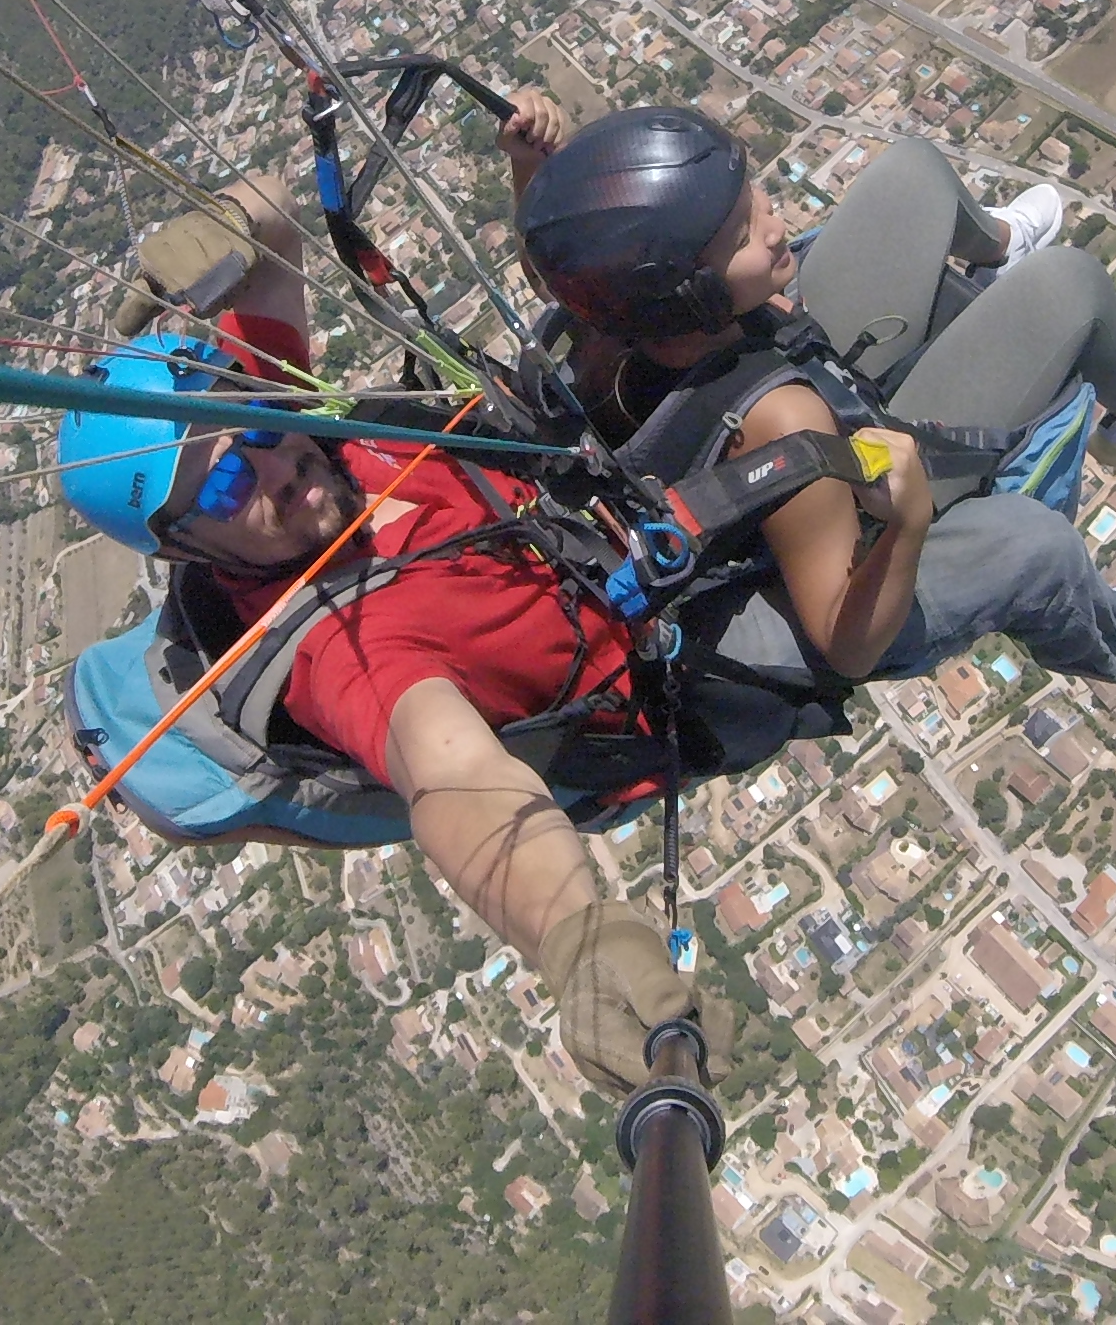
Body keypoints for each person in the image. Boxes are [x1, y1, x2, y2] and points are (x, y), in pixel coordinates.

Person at [60, 106, 739, 1099]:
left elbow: (274, 222)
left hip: (607, 501)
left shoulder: (307, 448)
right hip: (686, 652)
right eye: (217, 489)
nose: (265, 468)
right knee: (1010, 559)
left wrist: (213, 230)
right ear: (182, 548)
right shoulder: (340, 648)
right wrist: (577, 938)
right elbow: (452, 777)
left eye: (250, 423)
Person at [513, 106, 1116, 707]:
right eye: (740, 233)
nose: (773, 223)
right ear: (688, 295)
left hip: (799, 368)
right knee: (1073, 295)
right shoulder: (780, 427)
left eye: (755, 199)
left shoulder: (594, 327)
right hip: (855, 508)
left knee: (913, 171)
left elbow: (563, 272)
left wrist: (541, 181)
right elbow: (845, 641)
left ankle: (996, 246)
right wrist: (909, 523)